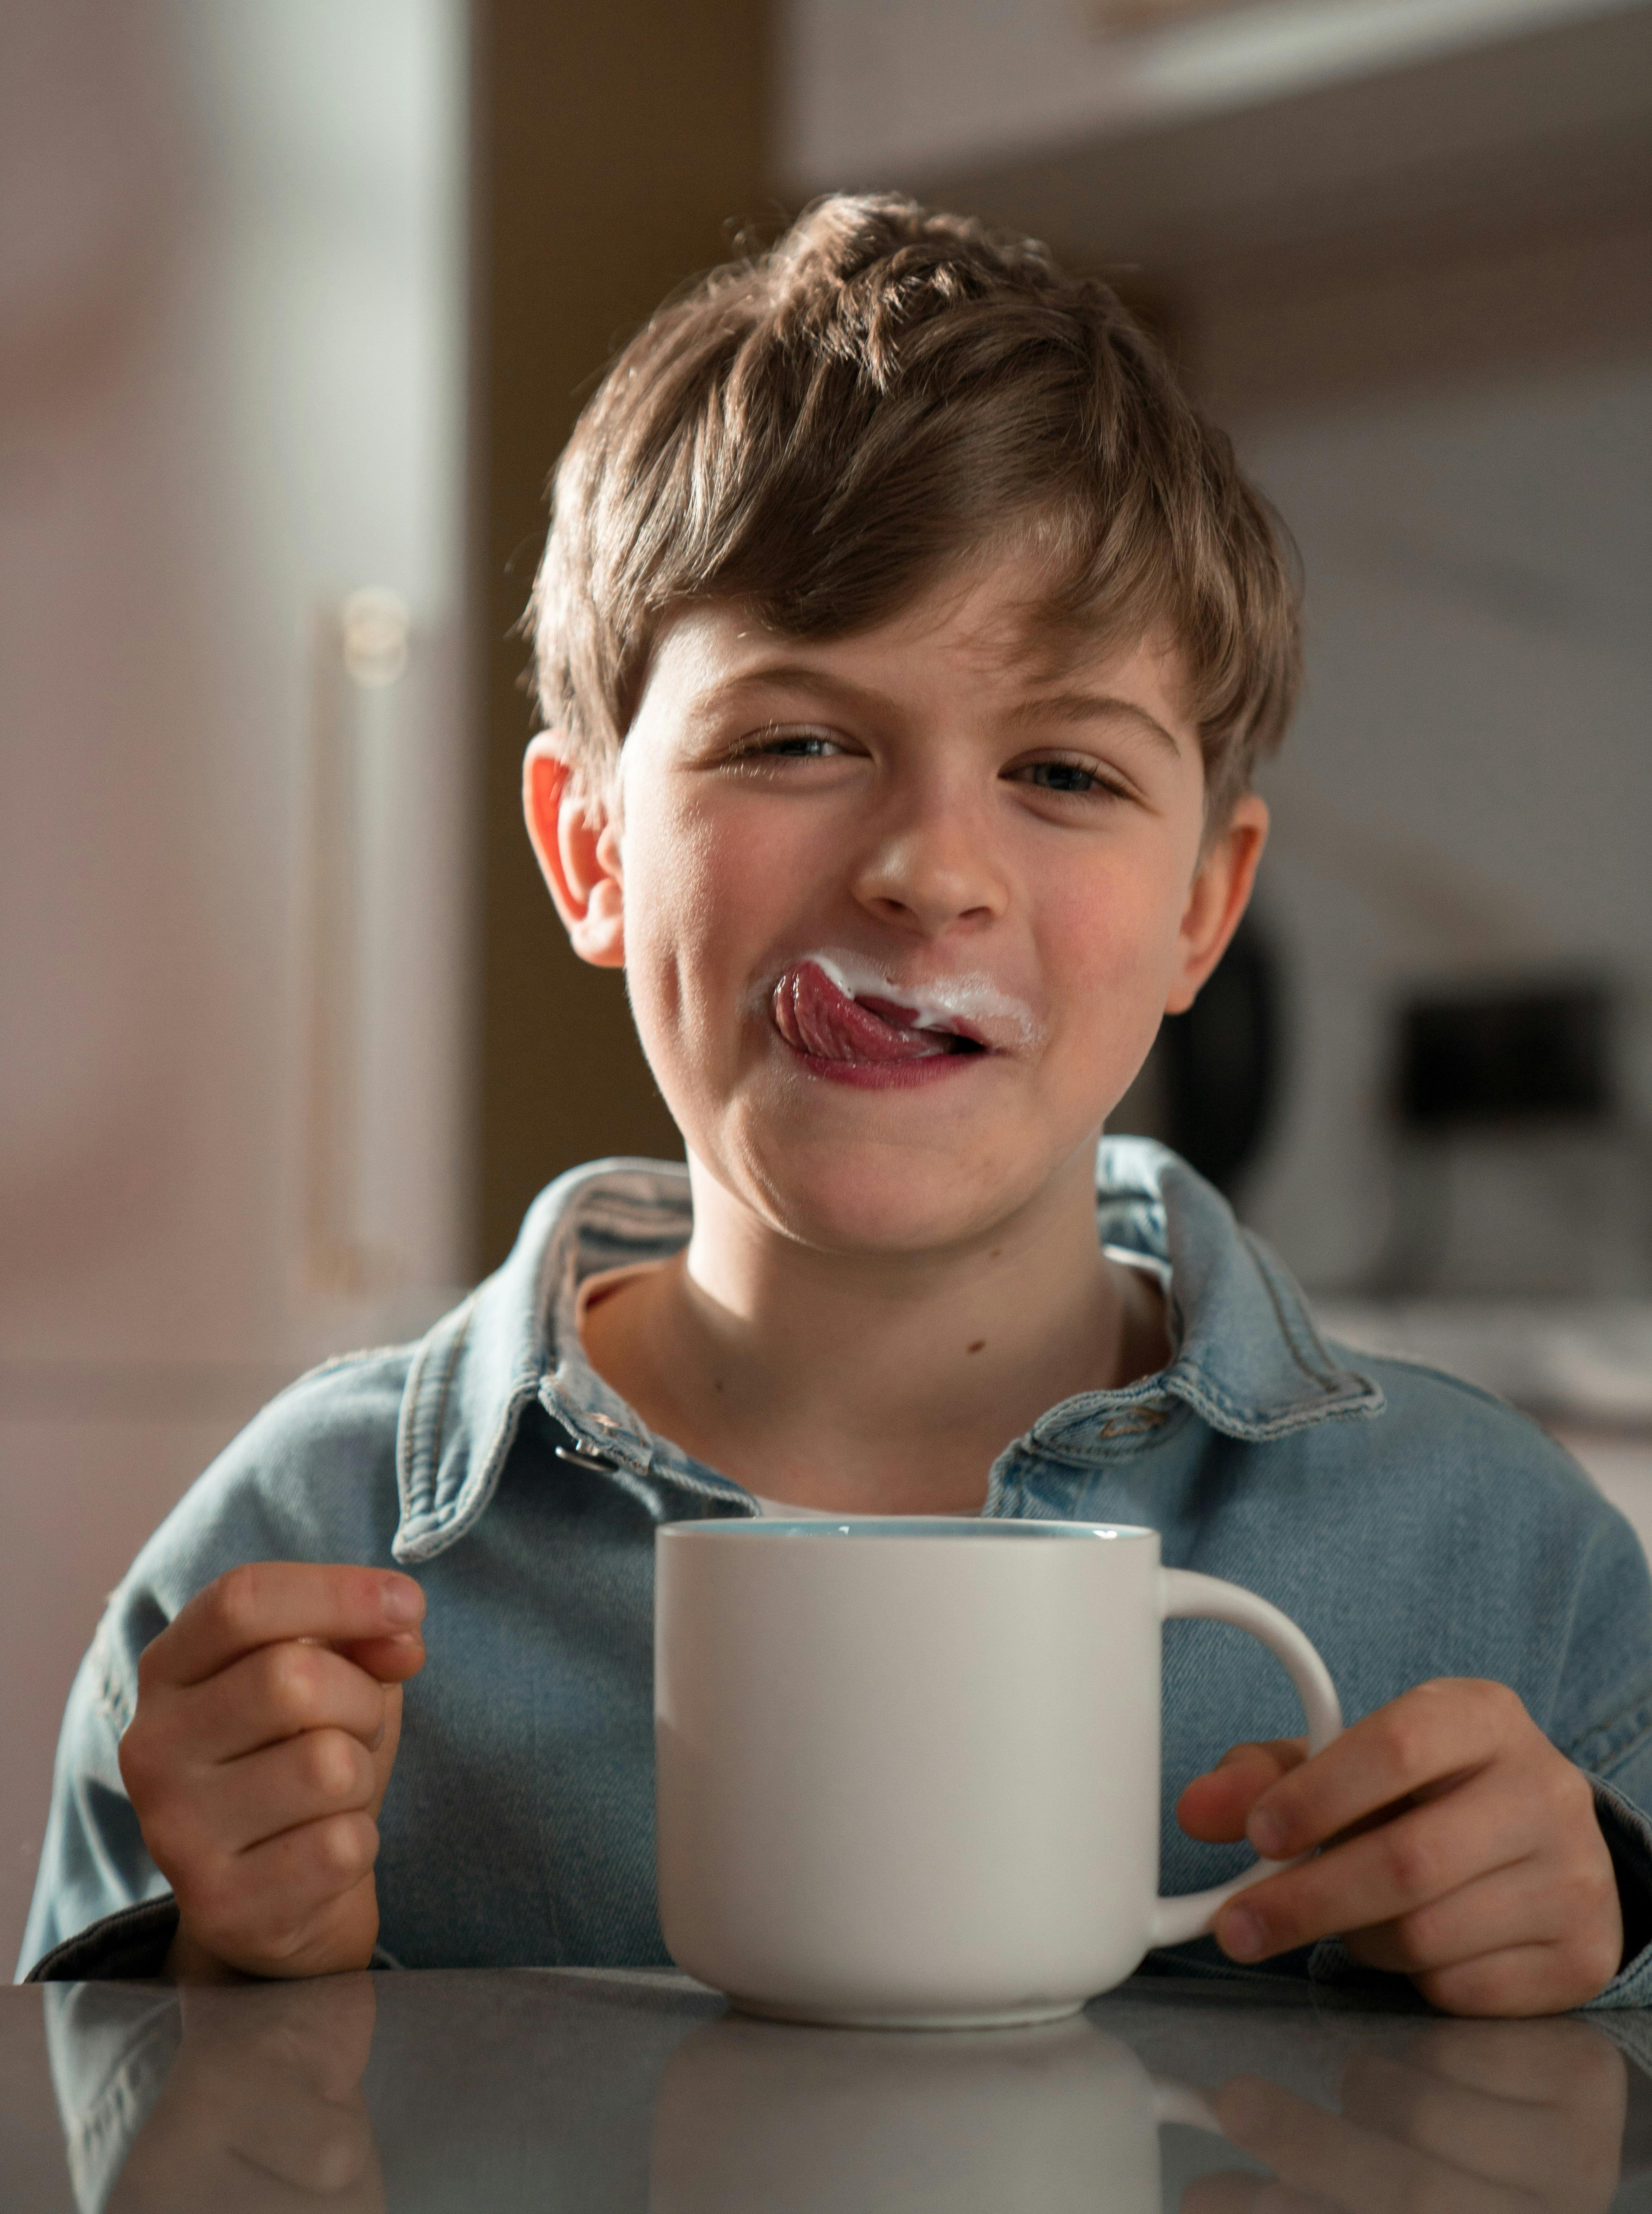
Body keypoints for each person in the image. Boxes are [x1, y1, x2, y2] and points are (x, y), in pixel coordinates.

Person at [21, 198, 1652, 2014]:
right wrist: (238, 2000)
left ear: (1203, 906)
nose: (926, 872)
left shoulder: (1503, 1563)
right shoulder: (292, 1557)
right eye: (797, 741)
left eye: (1060, 768)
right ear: (590, 849)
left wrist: (1602, 1972)